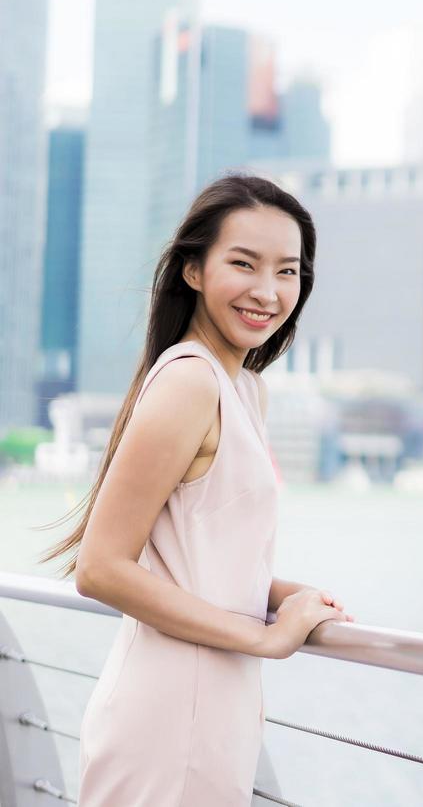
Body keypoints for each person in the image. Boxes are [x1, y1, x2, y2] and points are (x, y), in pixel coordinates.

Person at [35, 172, 353, 806]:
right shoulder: (189, 383)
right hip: (171, 716)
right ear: (193, 271)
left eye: (287, 271)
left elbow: (197, 549)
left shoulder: (243, 388)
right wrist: (266, 636)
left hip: (214, 709)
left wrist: (280, 593)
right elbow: (100, 569)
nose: (268, 291)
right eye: (243, 263)